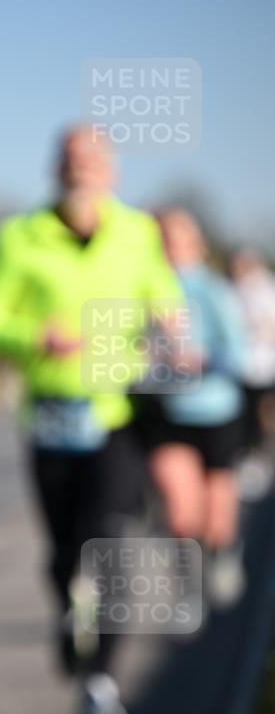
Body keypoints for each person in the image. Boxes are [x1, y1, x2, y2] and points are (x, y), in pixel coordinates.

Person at [0, 125, 182, 714]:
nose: (82, 169)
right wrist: (35, 336)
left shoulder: (138, 233)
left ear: (110, 171)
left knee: (107, 543)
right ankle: (67, 607)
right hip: (52, 413)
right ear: (54, 168)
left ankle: (100, 687)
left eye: (93, 159)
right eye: (71, 159)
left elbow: (163, 296)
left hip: (116, 412)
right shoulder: (19, 237)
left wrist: (172, 327)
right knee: (64, 551)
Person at [145, 209, 248, 603]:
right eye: (164, 240)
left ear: (196, 244)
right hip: (168, 412)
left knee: (216, 516)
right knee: (180, 512)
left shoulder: (213, 290)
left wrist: (201, 360)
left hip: (216, 411)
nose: (171, 248)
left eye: (178, 239)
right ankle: (189, 580)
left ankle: (223, 551)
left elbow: (239, 353)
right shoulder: (144, 288)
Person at [230, 247, 275, 451]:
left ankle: (259, 445)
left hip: (261, 362)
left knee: (260, 407)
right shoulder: (238, 287)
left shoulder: (263, 287)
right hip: (245, 364)